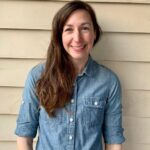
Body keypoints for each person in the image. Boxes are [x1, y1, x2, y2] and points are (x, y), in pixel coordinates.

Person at [15, 0, 125, 150]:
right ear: (59, 35)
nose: (77, 38)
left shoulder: (109, 82)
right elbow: (24, 136)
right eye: (69, 29)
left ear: (94, 33)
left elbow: (113, 141)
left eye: (85, 28)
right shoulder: (38, 76)